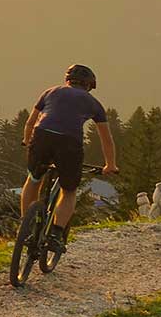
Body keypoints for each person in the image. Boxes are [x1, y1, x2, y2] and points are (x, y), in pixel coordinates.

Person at [21, 65, 118, 252]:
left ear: (68, 80)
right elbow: (106, 139)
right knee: (69, 190)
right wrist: (110, 165)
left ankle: (26, 226)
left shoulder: (50, 92)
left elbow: (30, 122)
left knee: (33, 179)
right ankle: (56, 235)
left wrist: (26, 141)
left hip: (41, 136)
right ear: (89, 85)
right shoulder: (94, 103)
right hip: (69, 143)